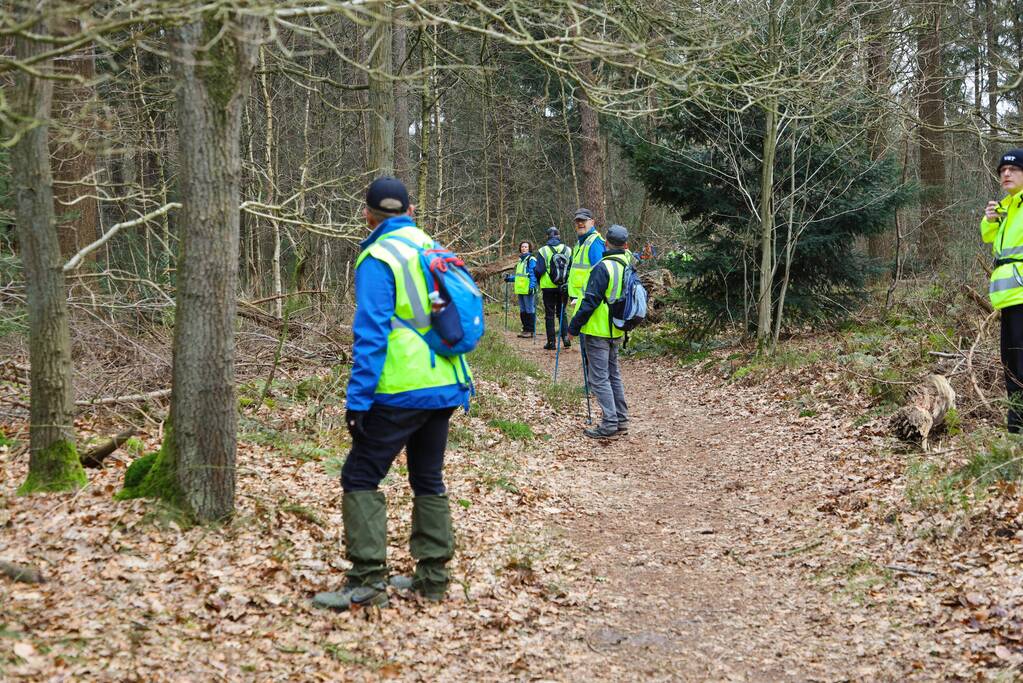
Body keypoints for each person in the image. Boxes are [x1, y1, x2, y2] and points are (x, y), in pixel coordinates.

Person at [312, 176, 470, 611]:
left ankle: (366, 580)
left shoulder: (378, 255)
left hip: (399, 388)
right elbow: (439, 314)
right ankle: (433, 579)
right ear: (411, 210)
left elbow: (372, 333)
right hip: (444, 381)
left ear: (368, 214)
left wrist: (358, 399)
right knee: (427, 478)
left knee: (360, 476)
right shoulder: (428, 246)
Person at [566, 224, 631, 439]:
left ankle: (609, 424)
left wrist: (573, 328)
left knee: (599, 378)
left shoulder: (603, 267)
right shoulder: (627, 264)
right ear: (625, 245)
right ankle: (621, 420)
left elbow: (590, 302)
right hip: (616, 328)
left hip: (597, 329)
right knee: (614, 375)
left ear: (606, 243)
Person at [983, 149, 1023, 433]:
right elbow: (989, 238)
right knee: (1010, 365)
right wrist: (990, 219)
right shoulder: (1007, 207)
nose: (1006, 174)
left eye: (1013, 169)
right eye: (1002, 171)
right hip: (1009, 299)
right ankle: (1015, 428)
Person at [535, 227, 572, 350]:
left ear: (547, 237)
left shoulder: (543, 250)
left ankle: (551, 342)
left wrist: (537, 279)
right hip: (564, 286)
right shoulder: (568, 250)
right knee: (562, 312)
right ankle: (566, 338)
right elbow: (571, 267)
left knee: (549, 314)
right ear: (558, 236)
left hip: (548, 287)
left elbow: (539, 270)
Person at [568, 208, 606, 304]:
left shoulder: (594, 242)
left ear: (592, 222)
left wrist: (587, 299)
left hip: (586, 299)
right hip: (578, 298)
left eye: (583, 220)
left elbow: (599, 275)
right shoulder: (579, 243)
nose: (580, 223)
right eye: (577, 221)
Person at [504, 241, 537, 338]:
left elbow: (532, 274)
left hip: (527, 289)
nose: (523, 248)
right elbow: (519, 276)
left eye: (526, 247)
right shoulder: (520, 261)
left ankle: (530, 331)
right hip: (520, 289)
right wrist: (510, 279)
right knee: (523, 310)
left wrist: (532, 286)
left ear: (529, 248)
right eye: (522, 247)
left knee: (529, 309)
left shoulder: (531, 259)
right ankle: (525, 329)